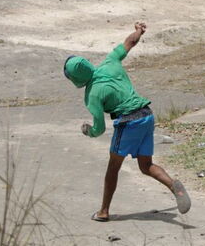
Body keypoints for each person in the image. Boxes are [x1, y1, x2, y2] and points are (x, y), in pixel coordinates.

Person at [64, 23, 191, 221]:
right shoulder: (110, 61)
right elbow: (130, 42)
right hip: (147, 115)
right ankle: (174, 187)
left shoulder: (92, 95)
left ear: (74, 79)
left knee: (113, 167)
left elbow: (99, 128)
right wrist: (139, 30)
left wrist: (89, 131)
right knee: (145, 165)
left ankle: (103, 211)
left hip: (128, 122)